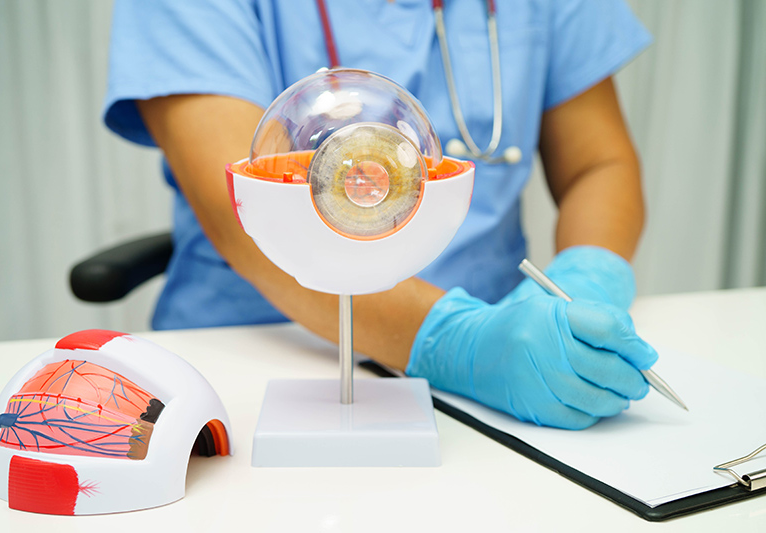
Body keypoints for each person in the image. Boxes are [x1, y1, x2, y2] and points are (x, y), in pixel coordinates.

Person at [104, 0, 656, 430]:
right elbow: (245, 204)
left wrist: (587, 280)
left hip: (514, 350)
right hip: (253, 357)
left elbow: (599, 164)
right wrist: (461, 342)